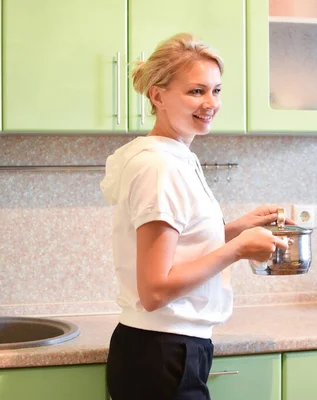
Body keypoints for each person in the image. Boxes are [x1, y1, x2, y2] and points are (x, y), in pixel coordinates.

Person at [100, 32, 291, 400]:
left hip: (167, 347)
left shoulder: (174, 157)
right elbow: (155, 290)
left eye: (216, 91)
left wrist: (236, 230)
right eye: (196, 91)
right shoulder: (159, 166)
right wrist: (236, 249)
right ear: (158, 96)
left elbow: (179, 245)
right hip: (162, 352)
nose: (210, 103)